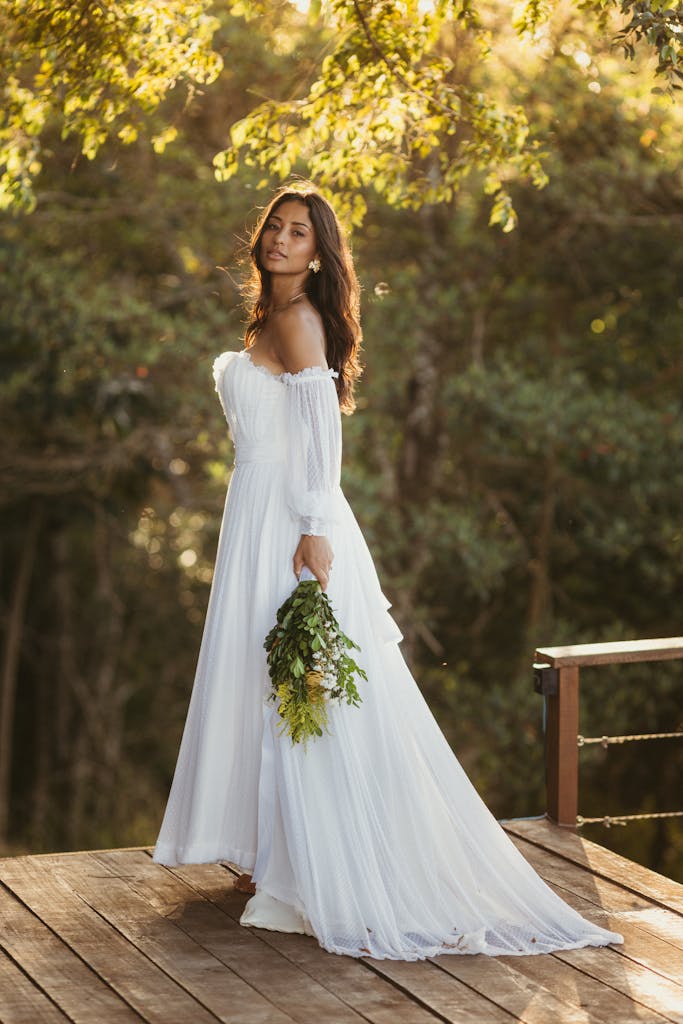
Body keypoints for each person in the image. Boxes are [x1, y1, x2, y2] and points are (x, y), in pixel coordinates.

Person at [153, 185, 623, 960]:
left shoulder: (299, 319)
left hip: (289, 519)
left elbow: (319, 432)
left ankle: (311, 862)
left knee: (300, 679)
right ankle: (274, 850)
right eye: (275, 225)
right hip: (256, 512)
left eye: (298, 232)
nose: (279, 238)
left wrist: (311, 528)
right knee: (268, 675)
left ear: (318, 251)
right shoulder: (269, 318)